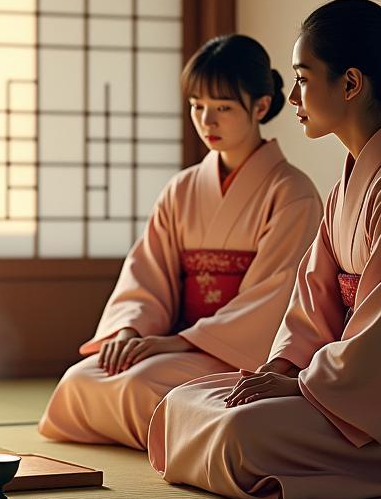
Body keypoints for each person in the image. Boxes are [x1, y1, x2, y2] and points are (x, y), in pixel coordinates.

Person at [149, 0, 381, 499]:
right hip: (340, 385)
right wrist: (282, 370)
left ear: (349, 84)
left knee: (240, 433)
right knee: (183, 404)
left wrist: (305, 387)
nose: (294, 95)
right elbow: (314, 303)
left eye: (303, 78)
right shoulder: (348, 182)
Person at [40, 35, 322, 448]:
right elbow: (147, 274)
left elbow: (273, 298)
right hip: (179, 341)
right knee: (79, 381)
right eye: (198, 107)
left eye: (223, 108)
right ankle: (178, 436)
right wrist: (129, 331)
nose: (207, 122)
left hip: (235, 349)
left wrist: (175, 343)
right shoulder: (183, 189)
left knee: (140, 386)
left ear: (260, 107)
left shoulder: (291, 191)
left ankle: (185, 436)